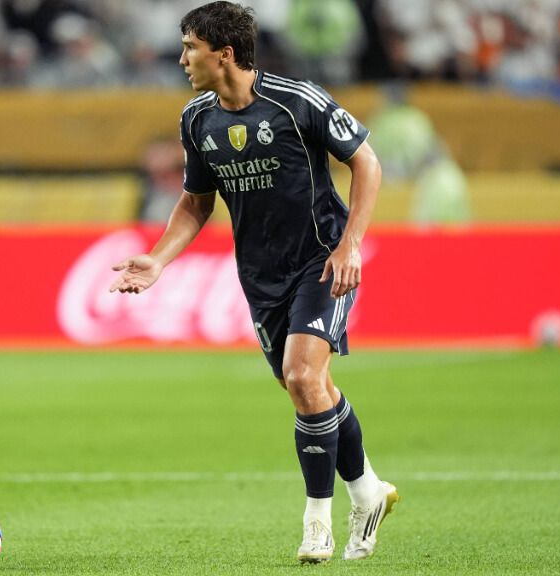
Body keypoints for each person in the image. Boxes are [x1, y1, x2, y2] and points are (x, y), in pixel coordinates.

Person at [109, 1, 396, 564]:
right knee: (309, 390)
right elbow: (195, 203)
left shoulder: (298, 101)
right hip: (260, 279)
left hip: (322, 261)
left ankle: (318, 522)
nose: (183, 58)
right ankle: (368, 493)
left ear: (226, 53)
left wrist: (351, 243)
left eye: (191, 47)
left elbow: (366, 161)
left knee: (301, 373)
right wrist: (161, 259)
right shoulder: (197, 119)